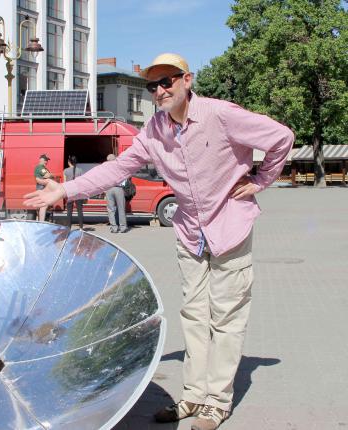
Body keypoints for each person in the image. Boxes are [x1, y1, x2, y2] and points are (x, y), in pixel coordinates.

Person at [24, 53, 294, 430]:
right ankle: (193, 395)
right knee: (194, 316)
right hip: (190, 233)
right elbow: (119, 167)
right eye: (153, 86)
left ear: (187, 80)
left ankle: (217, 402)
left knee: (227, 318)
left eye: (167, 81)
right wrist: (66, 190)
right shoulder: (154, 130)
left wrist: (261, 180)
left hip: (230, 229)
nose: (160, 90)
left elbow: (282, 137)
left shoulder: (220, 115)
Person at [105, 154, 129, 233]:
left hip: (109, 189)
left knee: (111, 209)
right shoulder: (120, 167)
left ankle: (114, 228)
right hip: (119, 189)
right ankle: (123, 227)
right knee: (121, 208)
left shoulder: (106, 168)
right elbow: (125, 178)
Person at [62, 155, 84, 230]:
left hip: (69, 192)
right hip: (78, 192)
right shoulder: (80, 170)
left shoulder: (65, 171)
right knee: (80, 210)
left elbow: (64, 183)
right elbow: (82, 182)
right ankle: (81, 227)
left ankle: (68, 227)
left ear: (69, 162)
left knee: (69, 211)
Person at [33, 154, 53, 222]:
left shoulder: (43, 168)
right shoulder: (40, 167)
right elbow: (47, 175)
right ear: (42, 160)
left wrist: (50, 175)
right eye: (46, 160)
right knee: (43, 206)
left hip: (42, 187)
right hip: (42, 188)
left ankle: (41, 221)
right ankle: (41, 221)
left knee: (43, 206)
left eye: (47, 160)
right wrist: (51, 175)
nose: (47, 162)